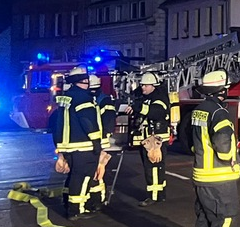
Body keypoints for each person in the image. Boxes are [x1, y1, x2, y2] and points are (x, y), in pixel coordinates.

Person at [180, 69, 240, 227]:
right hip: (219, 176)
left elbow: (186, 136)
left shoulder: (199, 110)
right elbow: (223, 144)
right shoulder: (219, 113)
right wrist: (229, 156)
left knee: (206, 215)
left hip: (201, 175)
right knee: (226, 215)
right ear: (222, 90)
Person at [49, 67, 105, 219]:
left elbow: (57, 123)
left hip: (69, 147)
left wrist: (59, 148)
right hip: (84, 146)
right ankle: (76, 210)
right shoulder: (83, 98)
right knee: (83, 177)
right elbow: (88, 122)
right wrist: (97, 142)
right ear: (84, 81)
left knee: (74, 177)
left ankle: (69, 205)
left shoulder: (66, 97)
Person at [119, 72, 169, 206]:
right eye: (142, 85)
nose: (143, 88)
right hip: (148, 140)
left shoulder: (160, 98)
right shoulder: (144, 97)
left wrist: (138, 107)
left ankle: (154, 196)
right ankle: (160, 194)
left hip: (156, 141)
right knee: (153, 167)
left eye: (146, 85)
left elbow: (156, 112)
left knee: (153, 167)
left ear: (153, 86)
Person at [87, 74, 116, 206]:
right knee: (95, 172)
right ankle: (95, 199)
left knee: (98, 172)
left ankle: (97, 200)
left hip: (98, 142)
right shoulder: (102, 99)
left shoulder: (102, 100)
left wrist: (104, 139)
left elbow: (108, 122)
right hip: (95, 142)